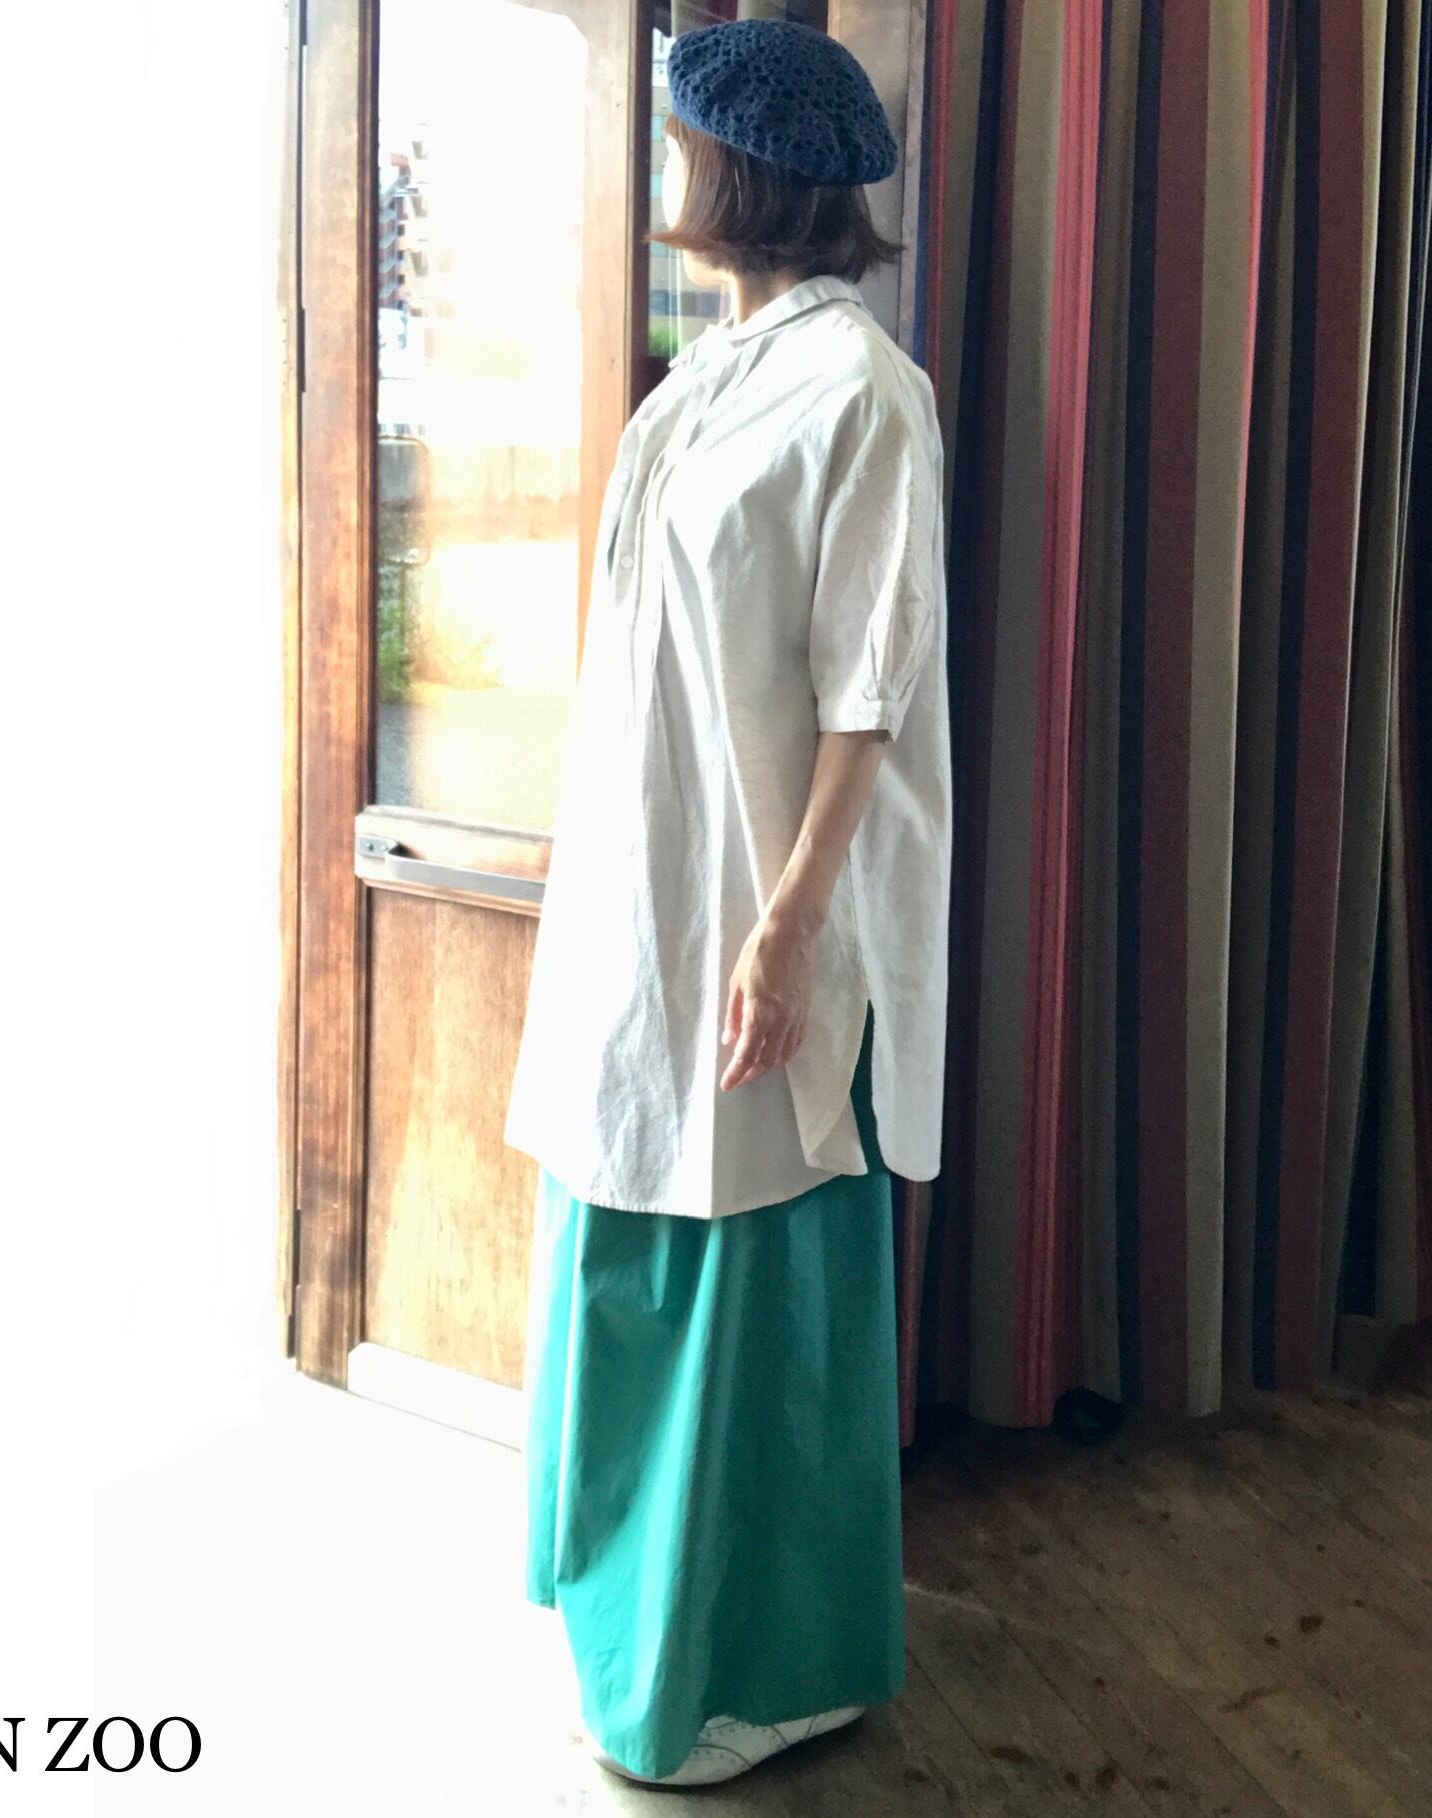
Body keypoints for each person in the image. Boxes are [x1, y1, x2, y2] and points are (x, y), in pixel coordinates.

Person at [500, 17, 952, 1790]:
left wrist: (788, 922)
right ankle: (632, 1622)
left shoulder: (863, 391)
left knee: (746, 1262)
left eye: (685, 144)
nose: (668, 170)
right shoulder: (710, 369)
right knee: (630, 1209)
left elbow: (868, 689)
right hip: (646, 883)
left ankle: (753, 1658)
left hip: (754, 896)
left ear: (737, 170)